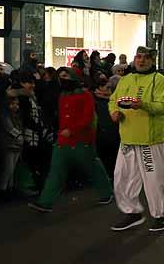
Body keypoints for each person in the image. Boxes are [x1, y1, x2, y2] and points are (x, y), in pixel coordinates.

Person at [28, 68, 113, 213]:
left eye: (66, 75)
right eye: (61, 76)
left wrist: (71, 130)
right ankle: (45, 202)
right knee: (56, 171)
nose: (63, 79)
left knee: (93, 167)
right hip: (65, 139)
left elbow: (87, 117)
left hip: (81, 139)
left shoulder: (85, 95)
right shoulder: (63, 95)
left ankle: (106, 193)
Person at [108, 46, 164, 232]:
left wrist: (143, 105)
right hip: (127, 138)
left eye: (145, 57)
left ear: (153, 60)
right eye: (138, 57)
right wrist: (114, 112)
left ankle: (163, 214)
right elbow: (114, 100)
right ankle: (132, 212)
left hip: (149, 140)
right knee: (122, 177)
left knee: (153, 180)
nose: (141, 60)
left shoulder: (158, 80)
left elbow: (163, 107)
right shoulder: (126, 79)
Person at [93, 78, 120, 176]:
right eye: (107, 87)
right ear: (99, 88)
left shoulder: (113, 101)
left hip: (113, 135)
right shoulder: (94, 102)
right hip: (101, 135)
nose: (109, 91)